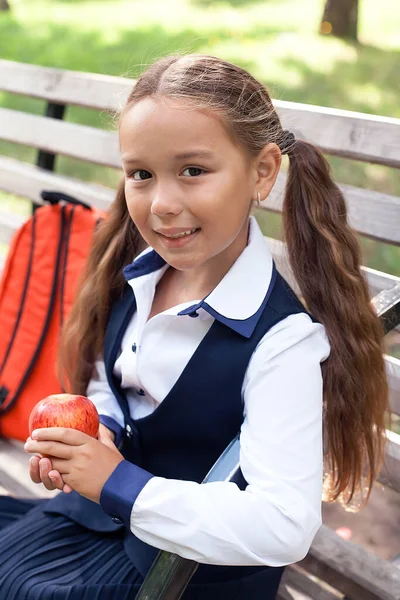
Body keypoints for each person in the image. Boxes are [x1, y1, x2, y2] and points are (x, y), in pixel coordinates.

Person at [0, 54, 389, 600]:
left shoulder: (282, 344)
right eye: (142, 174)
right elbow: (108, 384)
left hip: (183, 573)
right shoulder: (138, 278)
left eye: (193, 171)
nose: (162, 204)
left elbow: (282, 524)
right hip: (105, 525)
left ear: (262, 172)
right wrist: (100, 430)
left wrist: (116, 482)